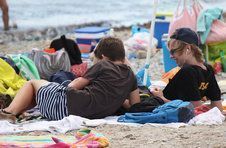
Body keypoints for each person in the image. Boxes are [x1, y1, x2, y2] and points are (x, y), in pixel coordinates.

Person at [0, 37, 140, 123]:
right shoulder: (131, 76)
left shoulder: (103, 65)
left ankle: (8, 112)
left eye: (94, 59)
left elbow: (73, 85)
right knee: (43, 91)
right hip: (87, 114)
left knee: (33, 83)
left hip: (64, 108)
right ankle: (17, 110)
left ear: (103, 57)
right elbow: (134, 106)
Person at [151, 28, 224, 112]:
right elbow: (217, 108)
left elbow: (196, 110)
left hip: (159, 108)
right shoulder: (208, 69)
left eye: (173, 51)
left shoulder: (188, 71)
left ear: (188, 48)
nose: (171, 56)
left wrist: (161, 97)